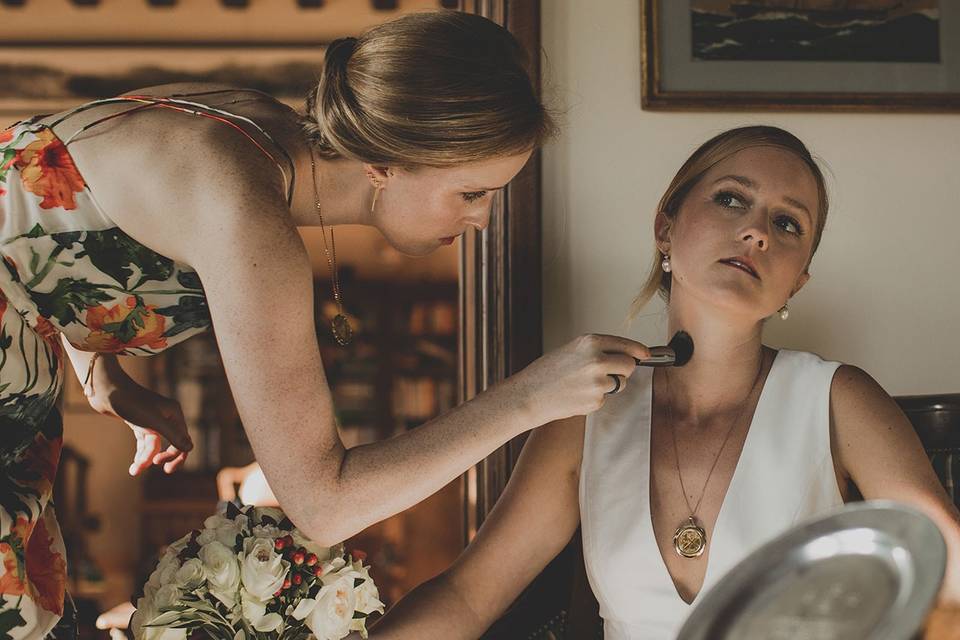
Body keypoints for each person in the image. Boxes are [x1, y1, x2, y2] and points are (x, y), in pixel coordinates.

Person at [0, 11, 650, 637]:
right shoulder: (244, 209)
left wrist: (101, 373)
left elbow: (43, 234)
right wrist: (531, 396)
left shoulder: (246, 119)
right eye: (472, 193)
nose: (481, 221)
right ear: (384, 165)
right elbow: (323, 503)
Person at [361, 126, 960, 639]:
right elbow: (470, 596)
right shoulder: (587, 410)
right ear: (665, 228)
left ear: (796, 283)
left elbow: (952, 580)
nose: (757, 233)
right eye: (731, 199)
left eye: (787, 223)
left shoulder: (838, 399)